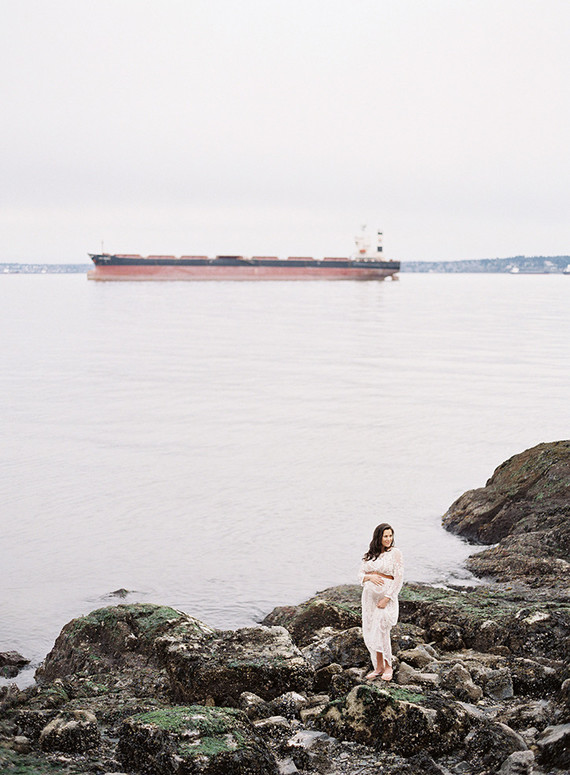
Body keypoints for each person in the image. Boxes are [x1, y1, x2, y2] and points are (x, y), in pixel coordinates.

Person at [358, 523, 404, 681]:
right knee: (372, 630)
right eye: (385, 536)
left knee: (382, 629)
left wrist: (387, 598)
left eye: (391, 536)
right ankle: (378, 667)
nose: (389, 539)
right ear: (379, 537)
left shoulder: (395, 553)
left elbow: (398, 579)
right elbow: (360, 574)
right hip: (370, 599)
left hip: (385, 598)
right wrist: (370, 577)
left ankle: (388, 666)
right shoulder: (370, 555)